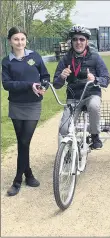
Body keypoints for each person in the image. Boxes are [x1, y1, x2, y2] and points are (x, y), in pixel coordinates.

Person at [2, 26, 50, 196]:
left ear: (26, 40)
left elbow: (45, 76)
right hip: (16, 105)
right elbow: (7, 84)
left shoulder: (35, 56)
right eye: (16, 39)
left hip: (33, 105)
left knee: (24, 141)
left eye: (22, 39)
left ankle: (16, 181)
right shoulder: (6, 61)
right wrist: (29, 85)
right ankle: (28, 174)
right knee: (23, 142)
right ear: (10, 41)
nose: (19, 42)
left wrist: (43, 86)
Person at [53, 25, 110, 149]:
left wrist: (95, 79)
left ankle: (95, 136)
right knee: (63, 129)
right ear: (71, 42)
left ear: (86, 41)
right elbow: (56, 84)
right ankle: (71, 149)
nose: (78, 42)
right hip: (73, 97)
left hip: (91, 94)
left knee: (94, 107)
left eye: (81, 39)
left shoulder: (95, 57)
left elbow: (106, 79)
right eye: (75, 39)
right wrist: (62, 77)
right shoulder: (66, 59)